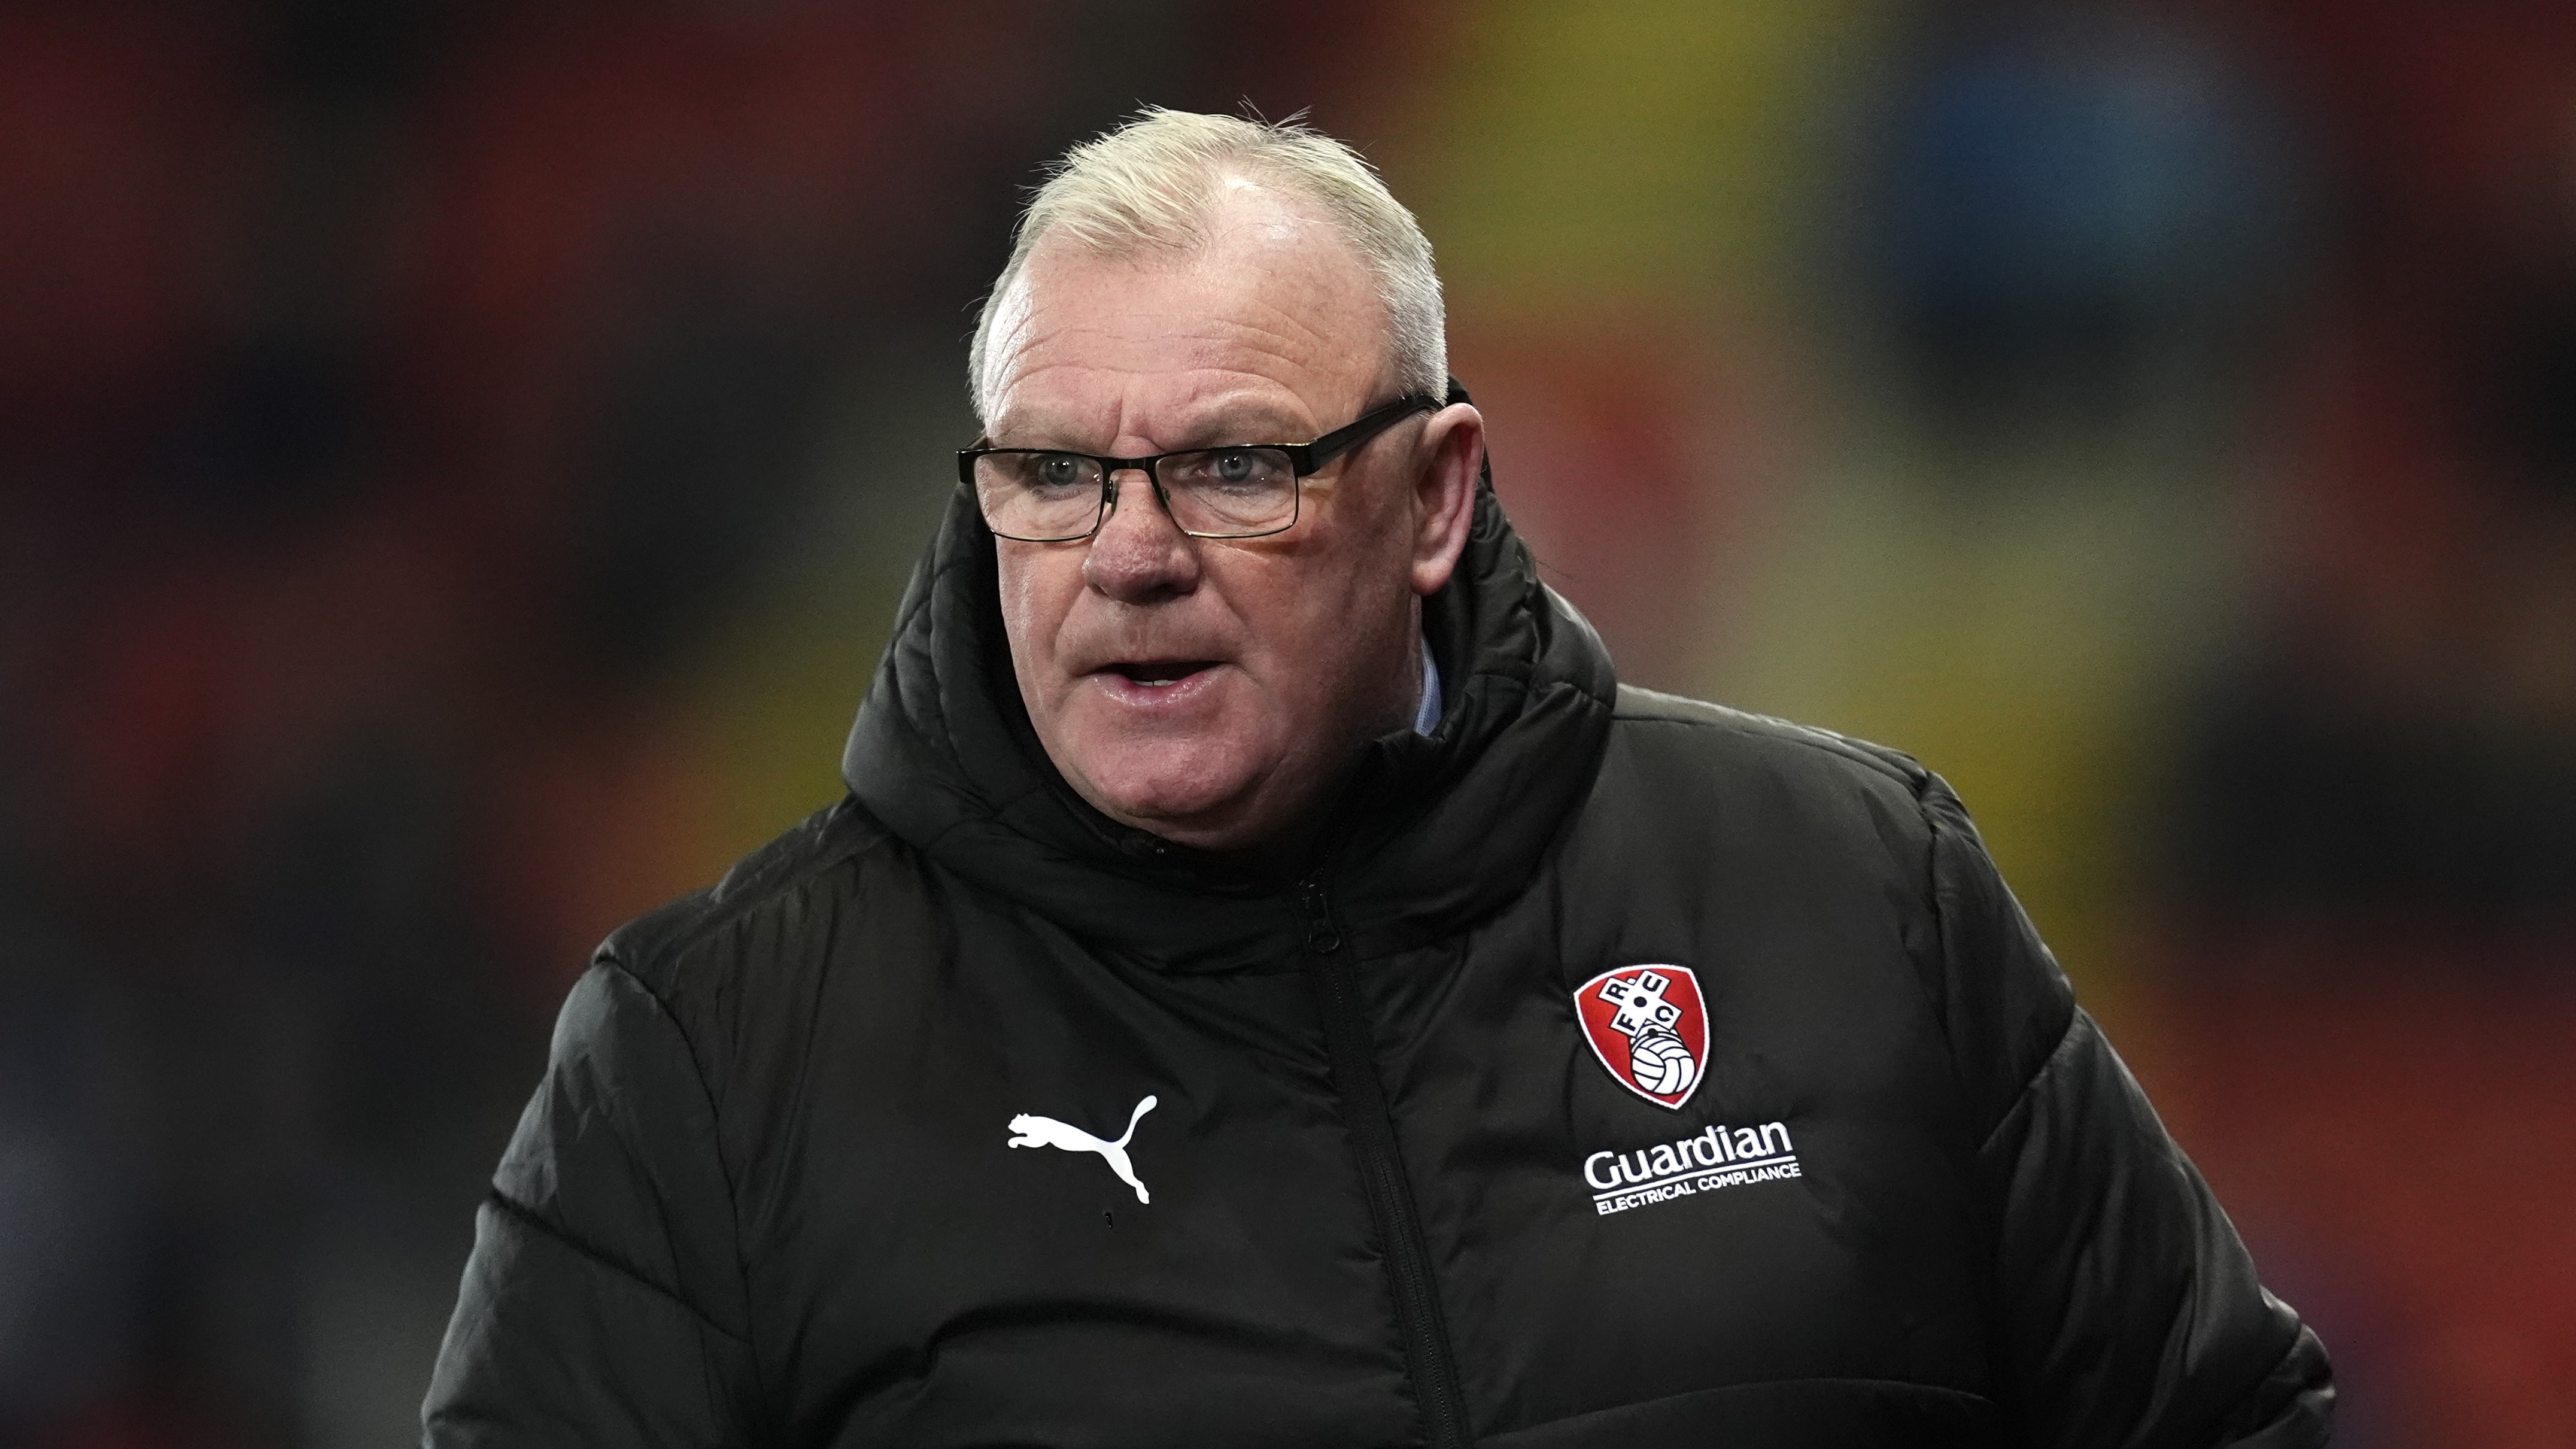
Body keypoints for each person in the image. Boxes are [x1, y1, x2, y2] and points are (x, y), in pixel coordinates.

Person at [421, 109, 2332, 1447]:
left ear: (1434, 498)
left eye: (1236, 466)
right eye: (1057, 473)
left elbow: (2224, 1423)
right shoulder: (715, 1054)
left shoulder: (1853, 892)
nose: (1130, 554)